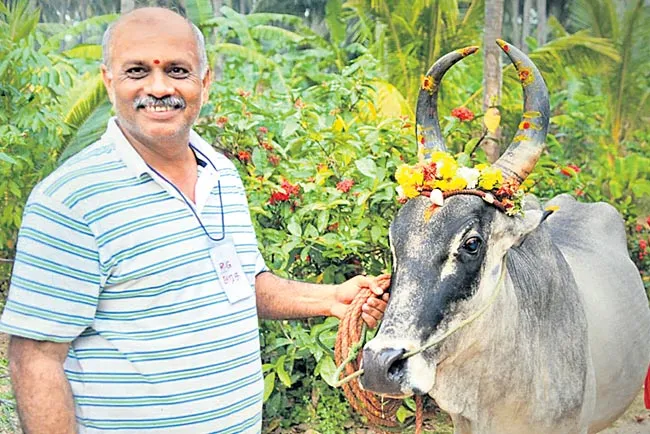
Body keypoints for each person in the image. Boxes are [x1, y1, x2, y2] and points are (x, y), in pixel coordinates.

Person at [0, 7, 389, 433]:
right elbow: (36, 355)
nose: (160, 87)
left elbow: (241, 282)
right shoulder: (69, 200)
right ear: (109, 81)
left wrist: (332, 298)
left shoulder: (220, 173)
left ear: (204, 82)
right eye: (136, 71)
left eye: (177, 70)